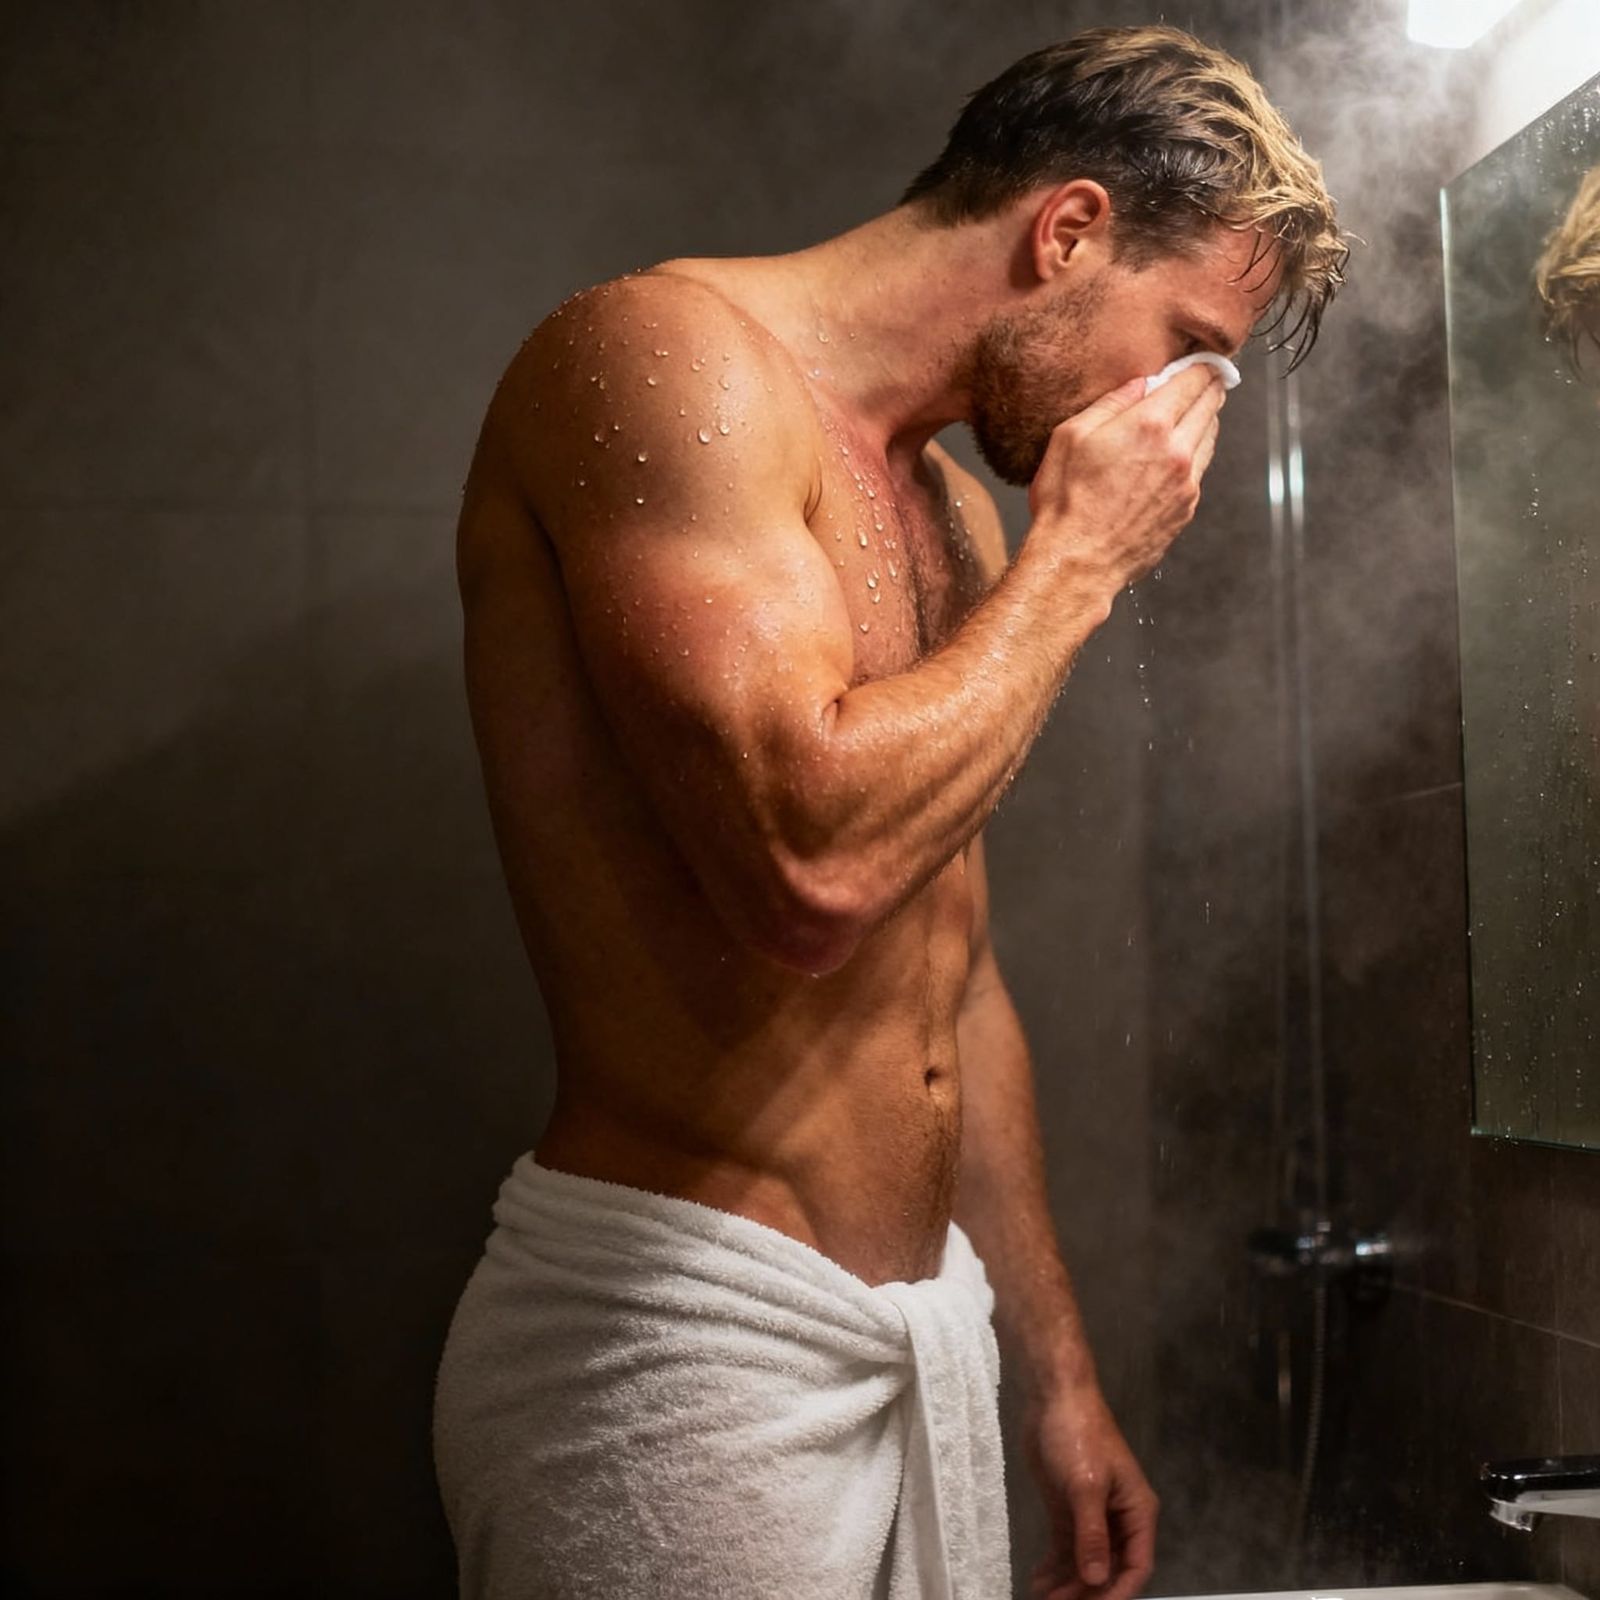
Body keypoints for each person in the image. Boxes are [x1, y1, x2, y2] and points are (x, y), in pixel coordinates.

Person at [432, 23, 1344, 1600]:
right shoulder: (659, 362)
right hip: (681, 1351)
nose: (1178, 419)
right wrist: (1082, 564)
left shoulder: (958, 518)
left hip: (903, 1347)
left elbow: (951, 977)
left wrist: (1053, 1372)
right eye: (1184, 342)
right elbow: (810, 871)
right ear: (1067, 232)